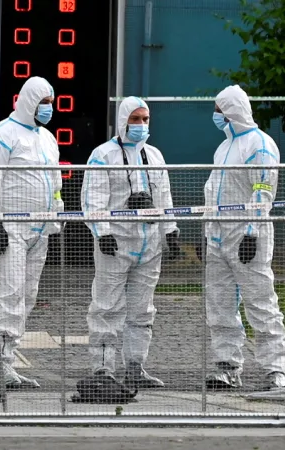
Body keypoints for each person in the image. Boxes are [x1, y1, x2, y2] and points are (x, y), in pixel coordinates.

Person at [79, 96, 180, 394]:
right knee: (106, 307)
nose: (140, 125)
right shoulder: (104, 155)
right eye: (135, 119)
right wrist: (102, 232)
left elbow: (164, 197)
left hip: (150, 244)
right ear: (123, 120)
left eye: (145, 119)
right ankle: (102, 368)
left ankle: (135, 367)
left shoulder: (155, 156)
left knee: (142, 310)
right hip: (116, 243)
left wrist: (171, 230)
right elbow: (92, 198)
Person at [0, 76, 63, 389]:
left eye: (51, 103)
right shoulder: (2, 133)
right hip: (11, 228)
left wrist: (56, 215)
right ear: (29, 101)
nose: (48, 108)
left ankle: (8, 361)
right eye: (43, 102)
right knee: (8, 294)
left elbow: (55, 183)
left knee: (27, 295)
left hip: (40, 230)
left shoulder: (48, 139)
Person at [203, 85, 285, 390]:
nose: (215, 115)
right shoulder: (224, 147)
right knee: (220, 305)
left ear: (231, 111)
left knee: (260, 303)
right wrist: (209, 232)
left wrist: (251, 232)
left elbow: (262, 191)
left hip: (247, 235)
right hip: (219, 238)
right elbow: (215, 191)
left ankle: (275, 369)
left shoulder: (260, 144)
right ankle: (227, 366)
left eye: (219, 110)